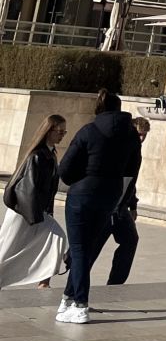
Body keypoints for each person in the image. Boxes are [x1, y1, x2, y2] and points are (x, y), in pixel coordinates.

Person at [56, 89, 142, 324]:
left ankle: (80, 303)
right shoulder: (132, 136)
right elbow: (132, 172)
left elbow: (65, 170)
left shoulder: (89, 131)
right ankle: (68, 298)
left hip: (83, 195)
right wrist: (123, 199)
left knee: (80, 249)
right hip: (111, 197)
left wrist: (82, 179)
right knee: (86, 249)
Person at [0, 114, 68, 289]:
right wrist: (36, 217)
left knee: (58, 237)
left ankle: (44, 282)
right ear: (48, 131)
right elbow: (29, 189)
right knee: (6, 250)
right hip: (23, 211)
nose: (62, 135)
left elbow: (48, 190)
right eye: (60, 131)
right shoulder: (37, 156)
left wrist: (47, 213)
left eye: (64, 132)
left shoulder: (50, 154)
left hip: (36, 212)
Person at [102, 116, 150, 286]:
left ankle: (115, 284)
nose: (141, 139)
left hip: (121, 207)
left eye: (144, 135)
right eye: (138, 135)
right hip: (105, 205)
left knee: (130, 240)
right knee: (92, 247)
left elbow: (131, 182)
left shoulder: (136, 153)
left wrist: (133, 205)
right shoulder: (119, 149)